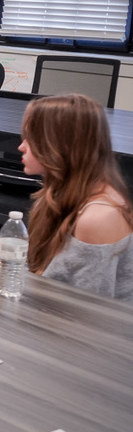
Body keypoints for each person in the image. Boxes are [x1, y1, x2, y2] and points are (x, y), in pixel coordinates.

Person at [20, 93, 133, 300]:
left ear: (59, 146)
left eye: (31, 139)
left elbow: (86, 313)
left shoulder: (99, 217)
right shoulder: (57, 192)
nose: (21, 147)